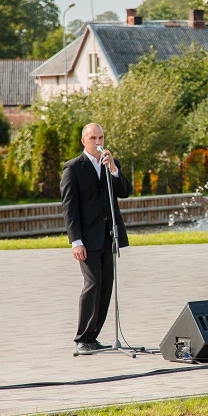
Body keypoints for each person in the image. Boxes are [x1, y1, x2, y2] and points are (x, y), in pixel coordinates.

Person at [60, 122, 133, 356]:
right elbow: (69, 209)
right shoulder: (73, 168)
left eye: (101, 138)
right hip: (87, 239)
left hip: (108, 236)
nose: (98, 142)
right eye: (93, 138)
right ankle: (82, 338)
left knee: (105, 286)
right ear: (84, 141)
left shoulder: (111, 164)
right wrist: (76, 241)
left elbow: (125, 192)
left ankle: (93, 337)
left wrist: (113, 169)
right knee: (92, 284)